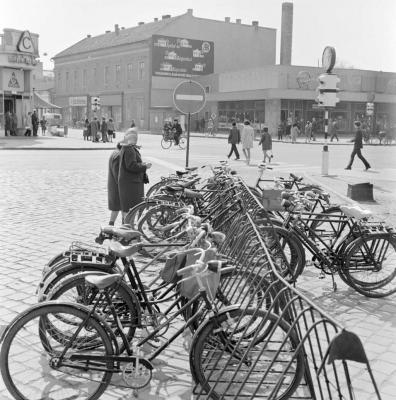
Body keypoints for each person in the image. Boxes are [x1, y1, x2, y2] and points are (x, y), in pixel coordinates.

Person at [118, 128, 152, 221]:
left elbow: (130, 164)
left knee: (128, 209)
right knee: (131, 209)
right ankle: (128, 229)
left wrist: (142, 164)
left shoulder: (126, 147)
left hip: (128, 182)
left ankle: (127, 228)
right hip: (131, 184)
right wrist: (145, 166)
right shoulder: (129, 149)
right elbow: (131, 166)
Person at [107, 142, 122, 226]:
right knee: (120, 207)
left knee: (116, 208)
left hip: (114, 185)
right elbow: (117, 174)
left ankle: (111, 225)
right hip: (116, 186)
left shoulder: (115, 153)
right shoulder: (118, 155)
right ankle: (123, 226)